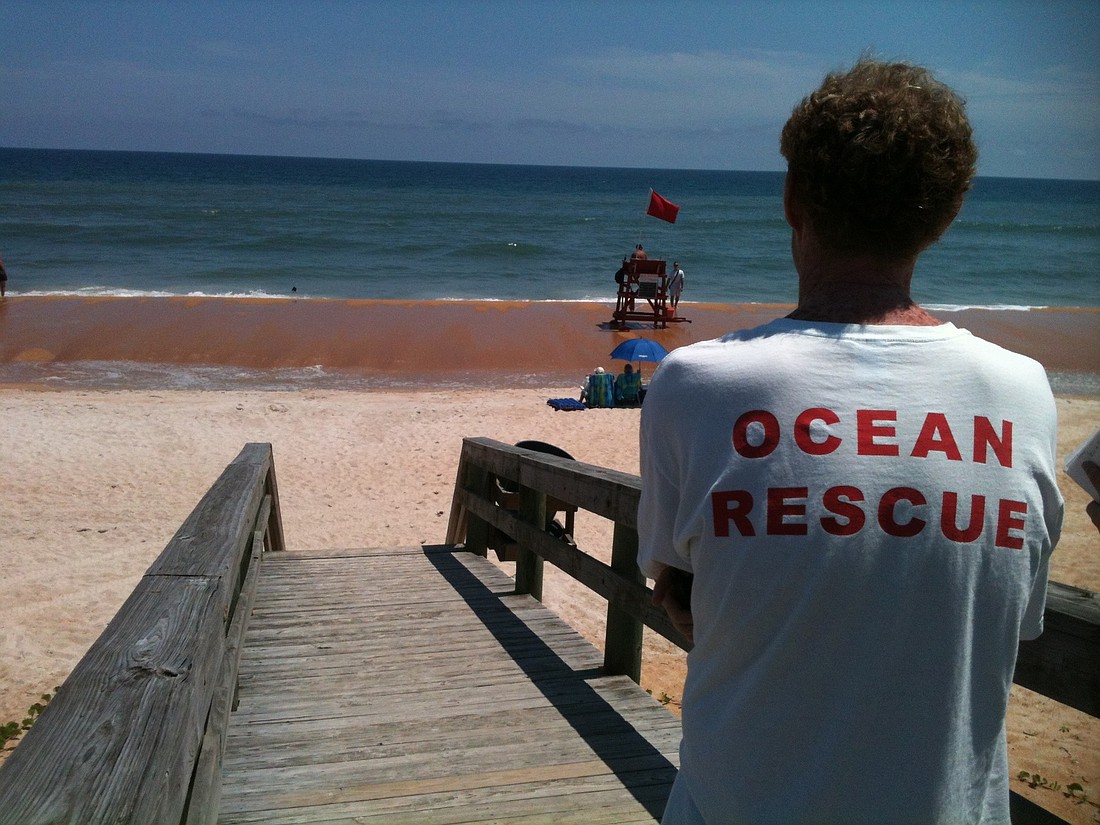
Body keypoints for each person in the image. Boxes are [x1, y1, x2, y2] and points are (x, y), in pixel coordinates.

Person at [638, 58, 1062, 824]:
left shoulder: (694, 386)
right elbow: (1012, 617)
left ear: (793, 199)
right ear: (949, 210)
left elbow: (681, 596)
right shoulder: (1021, 393)